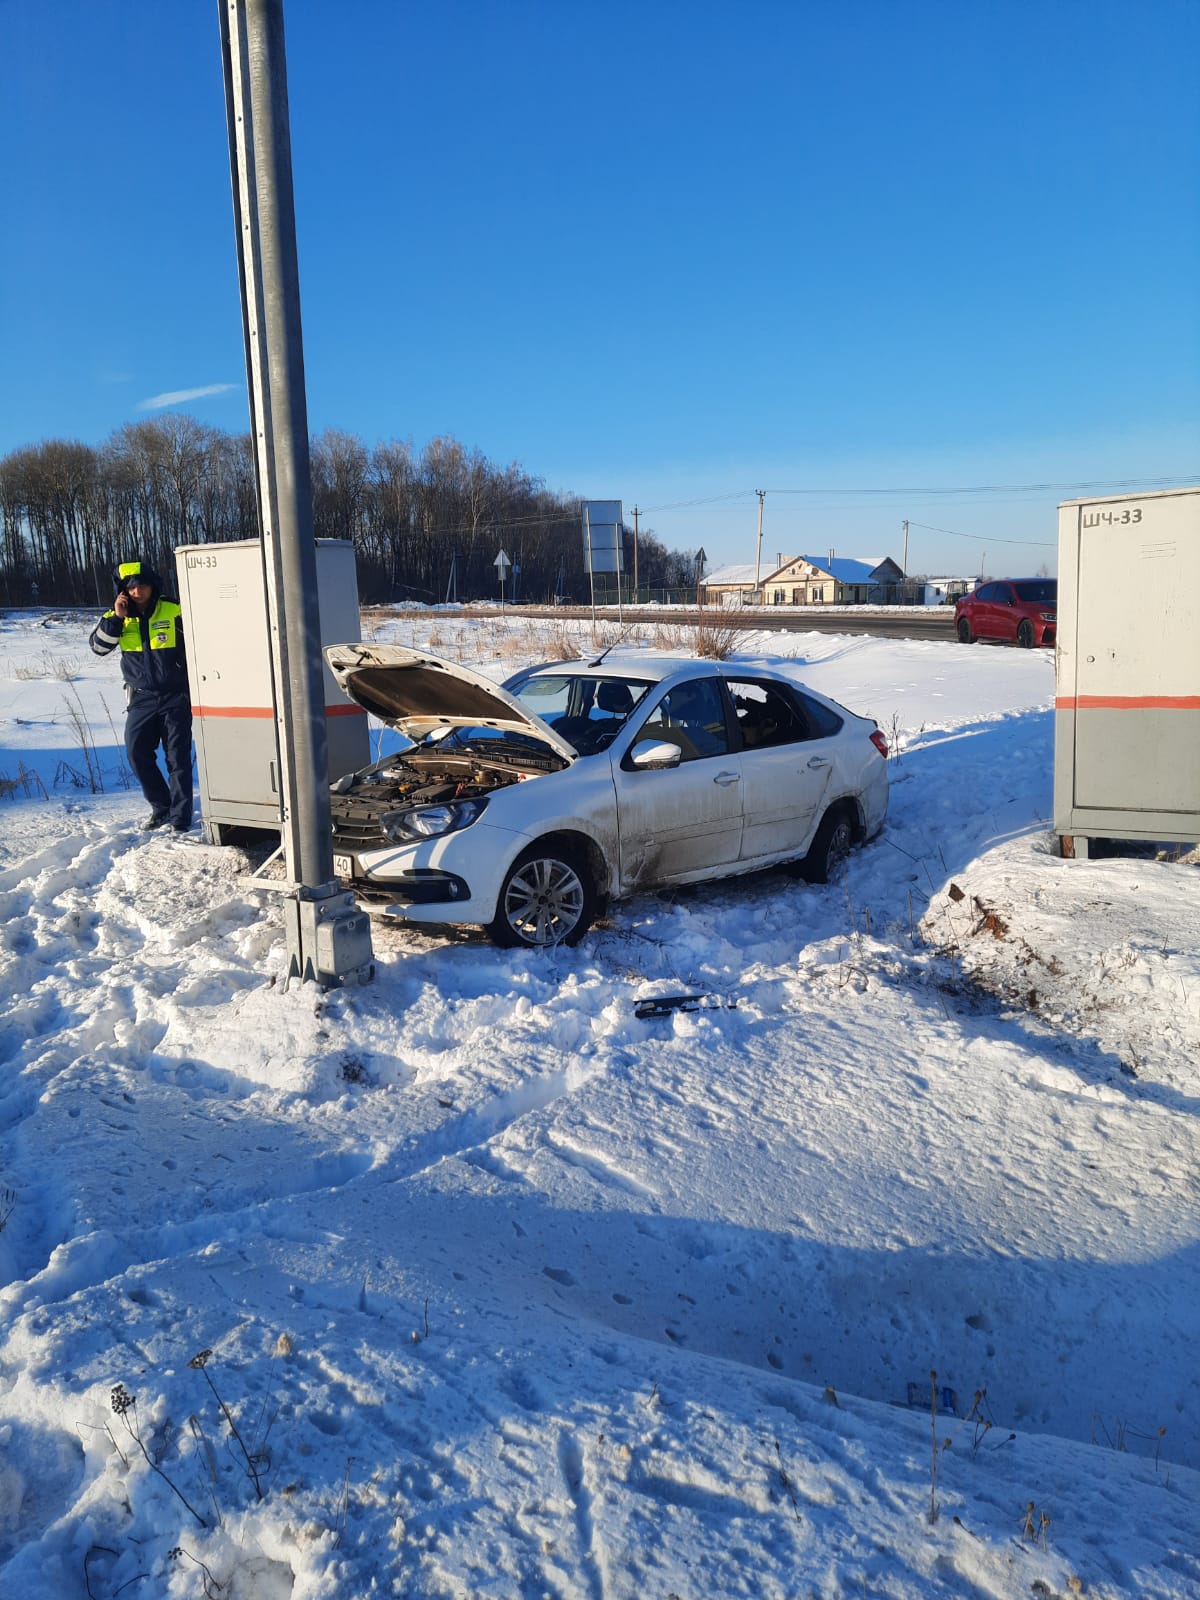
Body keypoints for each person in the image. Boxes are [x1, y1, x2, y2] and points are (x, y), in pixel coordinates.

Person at [90, 558, 194, 832]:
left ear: (152, 585)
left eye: (142, 586)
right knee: (137, 753)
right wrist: (117, 618)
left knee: (177, 759)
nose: (138, 592)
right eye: (131, 588)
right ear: (123, 590)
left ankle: (180, 819)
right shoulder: (117, 617)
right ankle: (162, 808)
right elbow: (98, 648)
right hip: (141, 698)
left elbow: (201, 640)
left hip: (175, 696)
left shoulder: (174, 609)